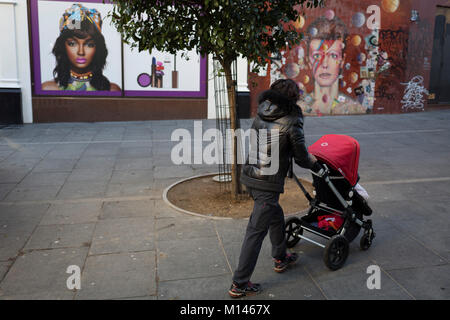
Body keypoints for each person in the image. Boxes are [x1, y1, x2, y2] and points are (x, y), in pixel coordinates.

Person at [228, 79, 321, 298]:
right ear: (293, 96)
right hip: (266, 182)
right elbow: (301, 156)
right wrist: (315, 163)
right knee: (255, 231)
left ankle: (281, 256)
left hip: (250, 174)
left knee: (275, 214)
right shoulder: (293, 118)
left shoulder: (262, 110)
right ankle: (239, 283)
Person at [42, 3, 120, 91]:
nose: (81, 52)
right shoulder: (49, 88)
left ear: (98, 48)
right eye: (72, 44)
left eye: (89, 44)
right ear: (63, 46)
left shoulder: (112, 90)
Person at [298, 16, 366, 115]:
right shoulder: (300, 108)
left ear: (342, 60)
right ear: (308, 61)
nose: (324, 64)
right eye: (317, 55)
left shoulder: (354, 108)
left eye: (333, 55)